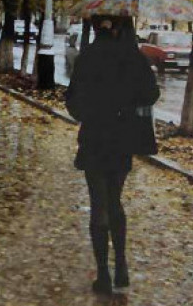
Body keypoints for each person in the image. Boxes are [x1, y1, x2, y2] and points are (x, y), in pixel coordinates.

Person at [65, 15, 160, 295]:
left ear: (97, 27)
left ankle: (103, 275)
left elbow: (73, 101)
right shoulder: (133, 56)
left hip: (95, 137)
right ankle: (121, 267)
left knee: (99, 203)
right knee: (115, 200)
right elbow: (151, 94)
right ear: (120, 27)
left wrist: (90, 113)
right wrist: (128, 101)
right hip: (122, 137)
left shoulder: (88, 56)